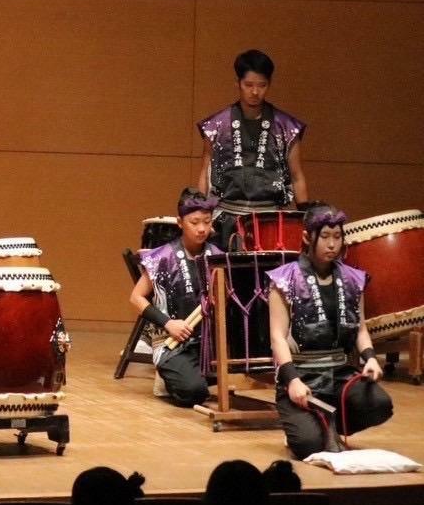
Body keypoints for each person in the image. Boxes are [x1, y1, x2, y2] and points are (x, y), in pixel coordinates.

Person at [267, 206, 393, 459]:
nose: (332, 244)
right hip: (302, 376)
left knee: (380, 405)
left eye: (337, 236)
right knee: (308, 447)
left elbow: (360, 328)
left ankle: (328, 424)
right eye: (325, 236)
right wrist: (292, 380)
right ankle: (313, 430)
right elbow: (277, 337)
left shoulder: (353, 279)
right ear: (307, 238)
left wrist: (369, 357)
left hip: (339, 373)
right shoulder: (284, 279)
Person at [196, 50, 308, 249]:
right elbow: (205, 172)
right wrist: (200, 215)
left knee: (269, 278)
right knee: (225, 278)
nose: (255, 92)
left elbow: (297, 175)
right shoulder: (217, 125)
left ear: (269, 84)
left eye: (262, 85)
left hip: (271, 219)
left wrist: (307, 219)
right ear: (237, 83)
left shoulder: (286, 126)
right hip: (225, 219)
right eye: (249, 85)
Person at [129, 188, 223, 407]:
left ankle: (190, 374)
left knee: (241, 371)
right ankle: (169, 375)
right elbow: (136, 297)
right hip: (172, 343)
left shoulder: (217, 255)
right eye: (195, 222)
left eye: (207, 222)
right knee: (193, 393)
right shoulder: (162, 257)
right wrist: (168, 323)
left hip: (207, 342)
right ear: (180, 223)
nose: (202, 228)